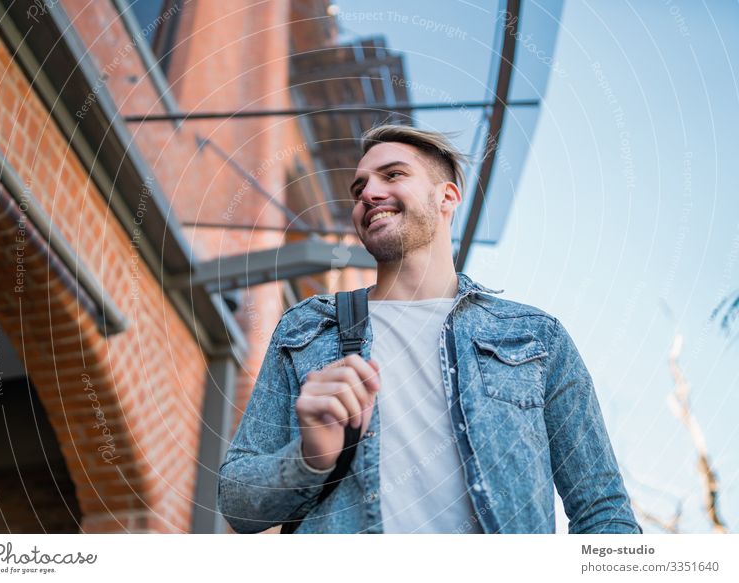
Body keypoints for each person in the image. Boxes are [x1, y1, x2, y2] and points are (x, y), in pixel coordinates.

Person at [217, 124, 641, 534]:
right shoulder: (308, 328)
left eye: (393, 174)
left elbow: (602, 510)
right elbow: (238, 505)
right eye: (358, 187)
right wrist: (312, 457)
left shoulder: (535, 337)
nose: (368, 193)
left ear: (446, 197)